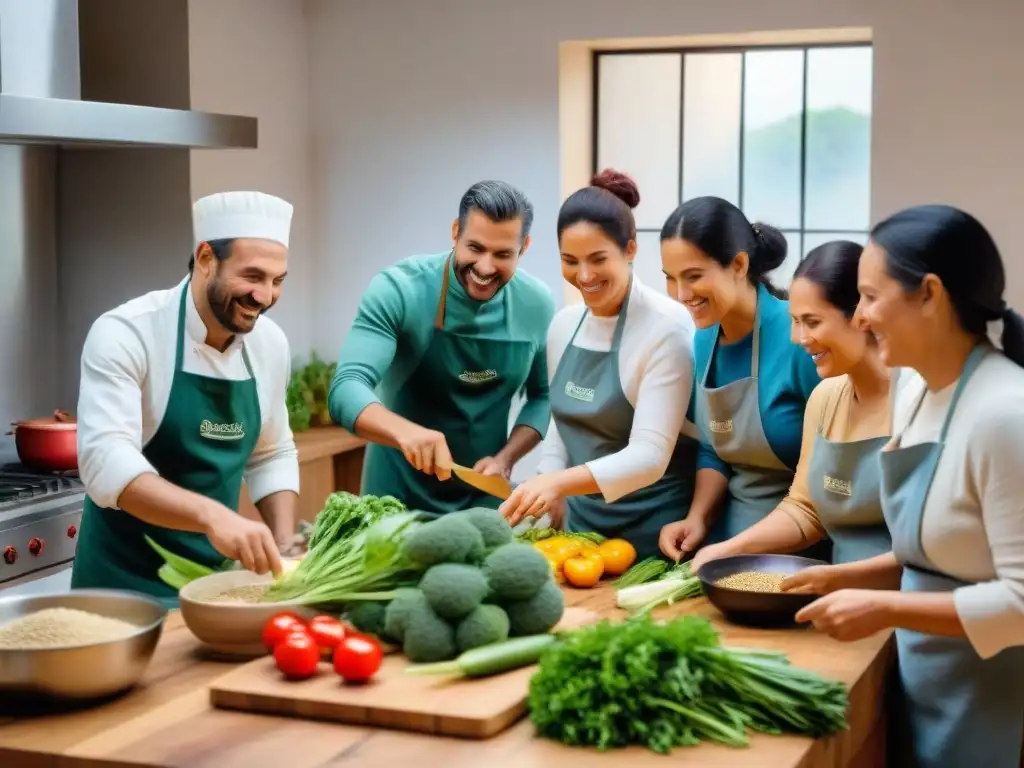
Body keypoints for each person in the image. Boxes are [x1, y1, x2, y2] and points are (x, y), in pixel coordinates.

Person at [796, 205, 1024, 768]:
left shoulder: (1004, 412)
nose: (863, 316)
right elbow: (935, 553)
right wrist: (838, 576)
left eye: (870, 297)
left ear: (929, 293)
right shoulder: (916, 393)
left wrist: (884, 607)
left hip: (990, 699)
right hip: (917, 680)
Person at [72, 191, 300, 606]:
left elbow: (271, 452)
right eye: (252, 276)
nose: (265, 297)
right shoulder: (127, 333)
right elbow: (106, 463)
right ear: (205, 258)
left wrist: (285, 542)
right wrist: (213, 517)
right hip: (121, 592)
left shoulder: (269, 344)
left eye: (277, 281)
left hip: (213, 591)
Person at [498, 170, 698, 559]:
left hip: (655, 538)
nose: (584, 276)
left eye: (598, 259)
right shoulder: (564, 326)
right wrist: (547, 484)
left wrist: (557, 484)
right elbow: (561, 419)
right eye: (570, 261)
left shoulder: (667, 329)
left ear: (630, 250)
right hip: (580, 533)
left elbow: (650, 457)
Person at [328, 181, 555, 515]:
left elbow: (543, 396)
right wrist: (405, 433)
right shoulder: (400, 289)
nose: (485, 267)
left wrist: (507, 459)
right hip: (394, 500)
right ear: (455, 232)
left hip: (484, 504)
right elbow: (346, 387)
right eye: (475, 248)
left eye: (503, 254)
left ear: (525, 247)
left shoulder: (536, 304)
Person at [691, 241, 904, 579]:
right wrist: (726, 551)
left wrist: (836, 580)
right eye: (794, 321)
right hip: (841, 604)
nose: (798, 338)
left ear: (861, 316)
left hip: (902, 607)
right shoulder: (825, 398)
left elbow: (931, 550)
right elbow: (806, 510)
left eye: (812, 322)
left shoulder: (916, 400)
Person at [657, 197, 822, 561]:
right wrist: (697, 518)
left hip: (798, 555)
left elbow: (836, 469)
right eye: (670, 278)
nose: (681, 295)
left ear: (739, 264)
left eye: (694, 276)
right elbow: (712, 449)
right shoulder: (705, 339)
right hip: (722, 548)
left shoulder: (801, 340)